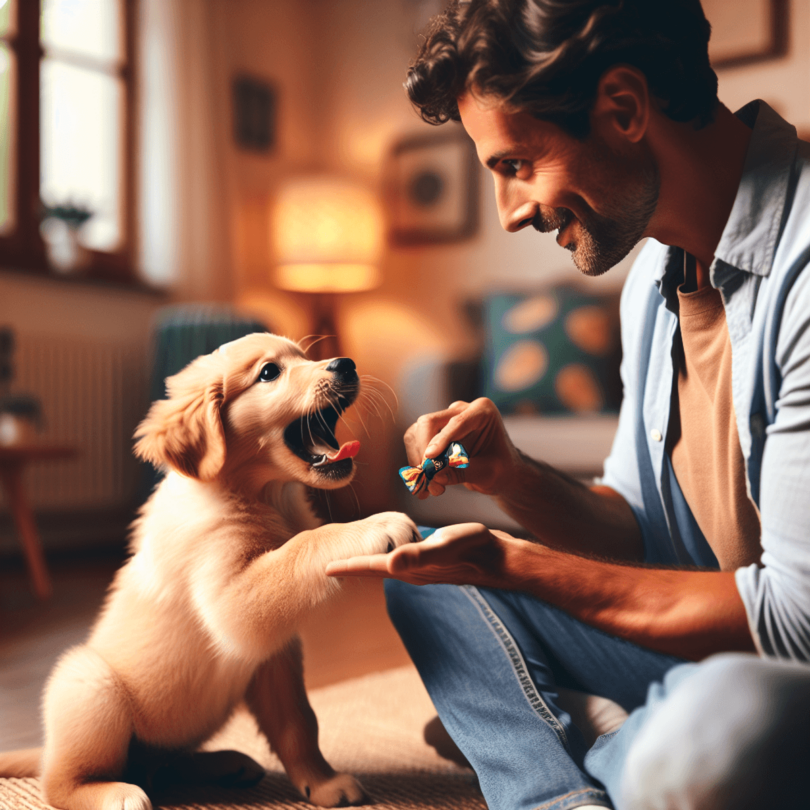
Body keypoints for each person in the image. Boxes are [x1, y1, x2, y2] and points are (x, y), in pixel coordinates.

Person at [326, 1, 810, 808]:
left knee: (723, 734)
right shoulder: (658, 286)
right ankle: (564, 788)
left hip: (781, 673)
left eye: (515, 164)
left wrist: (517, 561)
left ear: (623, 108)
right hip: (708, 647)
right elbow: (637, 531)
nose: (510, 211)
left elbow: (793, 623)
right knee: (429, 574)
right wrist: (513, 479)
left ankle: (594, 734)